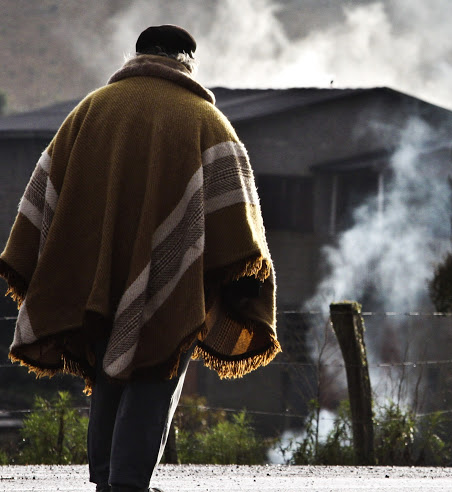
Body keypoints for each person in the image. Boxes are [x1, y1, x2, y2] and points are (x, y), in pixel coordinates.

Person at [0, 24, 280, 492]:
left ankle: (106, 478)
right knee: (155, 372)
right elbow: (238, 225)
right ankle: (129, 483)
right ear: (186, 60)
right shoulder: (206, 122)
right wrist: (241, 289)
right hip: (175, 282)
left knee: (109, 368)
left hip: (95, 279)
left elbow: (43, 197)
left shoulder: (90, 111)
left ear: (139, 56)